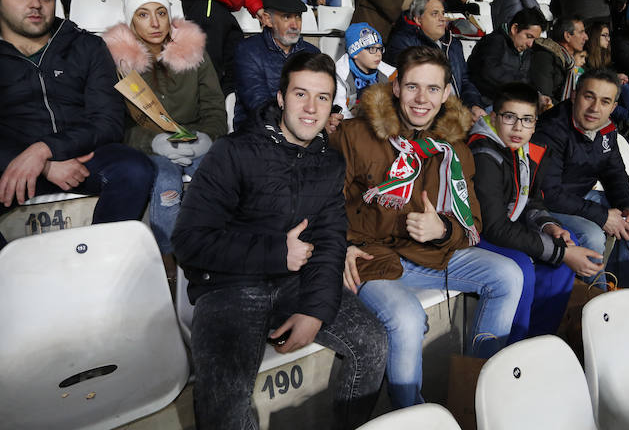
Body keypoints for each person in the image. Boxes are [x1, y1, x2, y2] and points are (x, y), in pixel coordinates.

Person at [172, 52, 387, 429]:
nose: (310, 108)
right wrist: (276, 253)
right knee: (224, 400)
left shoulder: (329, 162)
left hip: (296, 283)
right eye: (300, 94)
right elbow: (190, 242)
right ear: (280, 98)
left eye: (322, 98)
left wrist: (315, 311)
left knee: (372, 342)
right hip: (229, 286)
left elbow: (330, 239)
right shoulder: (233, 151)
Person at [0, 0, 154, 305]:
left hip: (74, 151)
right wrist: (38, 162)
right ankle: (17, 301)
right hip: (0, 162)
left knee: (133, 167)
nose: (35, 5)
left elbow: (107, 121)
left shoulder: (85, 46)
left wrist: (45, 150)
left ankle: (101, 277)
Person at [331, 46, 523, 408]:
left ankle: (477, 397)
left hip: (429, 252)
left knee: (508, 275)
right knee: (406, 317)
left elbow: (472, 225)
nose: (422, 99)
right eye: (413, 87)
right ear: (396, 87)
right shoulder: (354, 134)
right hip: (372, 255)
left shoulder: (453, 147)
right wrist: (338, 246)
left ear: (447, 94)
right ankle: (411, 414)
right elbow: (322, 202)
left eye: (433, 89)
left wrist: (442, 232)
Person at [102, 0, 226, 264]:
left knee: (216, 173)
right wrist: (155, 142)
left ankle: (216, 250)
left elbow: (213, 105)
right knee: (166, 179)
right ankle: (169, 260)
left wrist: (207, 138)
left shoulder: (194, 53)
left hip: (194, 138)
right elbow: (115, 123)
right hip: (149, 147)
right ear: (131, 21)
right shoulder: (117, 63)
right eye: (144, 15)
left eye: (161, 12)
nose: (156, 23)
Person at [469, 83, 602, 340]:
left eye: (527, 120)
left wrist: (549, 226)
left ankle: (540, 338)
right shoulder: (484, 152)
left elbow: (531, 201)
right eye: (510, 117)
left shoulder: (524, 150)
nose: (518, 127)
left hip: (505, 228)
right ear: (494, 118)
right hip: (478, 232)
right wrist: (562, 253)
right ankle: (514, 346)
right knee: (521, 267)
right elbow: (494, 226)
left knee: (566, 244)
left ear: (534, 123)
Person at [532, 68, 629, 286]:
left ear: (613, 107)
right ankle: (598, 303)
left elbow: (615, 172)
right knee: (592, 234)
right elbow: (548, 192)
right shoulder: (551, 129)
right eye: (589, 97)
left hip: (579, 198)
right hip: (546, 205)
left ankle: (624, 290)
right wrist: (602, 216)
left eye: (605, 101)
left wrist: (626, 206)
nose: (594, 108)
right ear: (574, 95)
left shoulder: (607, 128)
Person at [232, 0, 324, 129]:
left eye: (298, 17)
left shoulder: (312, 53)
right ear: (268, 20)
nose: (295, 25)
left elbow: (320, 97)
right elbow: (258, 104)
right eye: (287, 17)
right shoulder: (248, 51)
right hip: (256, 135)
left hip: (303, 131)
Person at [385, 0, 486, 117]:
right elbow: (410, 90)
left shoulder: (453, 44)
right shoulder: (404, 43)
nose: (442, 19)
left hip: (460, 112)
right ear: (418, 19)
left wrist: (473, 105)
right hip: (427, 114)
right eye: (434, 14)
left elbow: (464, 81)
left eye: (443, 13)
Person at [467, 6, 544, 106]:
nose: (530, 44)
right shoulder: (493, 42)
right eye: (528, 36)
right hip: (485, 105)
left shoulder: (527, 51)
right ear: (514, 29)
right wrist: (523, 87)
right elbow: (490, 72)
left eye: (534, 39)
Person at [334, 22, 396, 119]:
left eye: (380, 49)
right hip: (351, 126)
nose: (378, 54)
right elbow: (341, 112)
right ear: (355, 52)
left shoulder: (389, 74)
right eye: (372, 49)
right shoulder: (340, 77)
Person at [530, 16, 588, 103]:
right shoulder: (545, 58)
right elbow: (545, 99)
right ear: (567, 36)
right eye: (581, 32)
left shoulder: (569, 62)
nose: (586, 37)